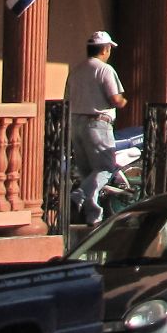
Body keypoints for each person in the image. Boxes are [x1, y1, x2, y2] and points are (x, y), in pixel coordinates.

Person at [66, 30, 127, 225]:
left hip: (76, 122)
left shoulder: (76, 70)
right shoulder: (105, 70)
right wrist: (124, 102)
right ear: (105, 49)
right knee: (105, 167)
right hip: (98, 123)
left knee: (87, 171)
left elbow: (67, 98)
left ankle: (92, 215)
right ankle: (78, 197)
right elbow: (115, 98)